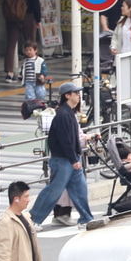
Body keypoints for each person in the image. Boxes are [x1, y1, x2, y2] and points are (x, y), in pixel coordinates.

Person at [30, 82, 94, 228]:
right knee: (54, 191)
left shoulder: (69, 113)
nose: (79, 95)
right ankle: (34, 219)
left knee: (80, 189)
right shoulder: (63, 114)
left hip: (71, 159)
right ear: (67, 95)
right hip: (63, 160)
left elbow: (71, 139)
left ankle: (86, 218)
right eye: (76, 93)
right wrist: (74, 159)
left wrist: (76, 156)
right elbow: (65, 140)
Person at [1, 0, 41, 84]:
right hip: (27, 16)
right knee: (30, 44)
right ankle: (30, 72)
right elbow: (35, 1)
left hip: (11, 17)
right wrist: (38, 19)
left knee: (10, 45)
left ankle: (9, 72)